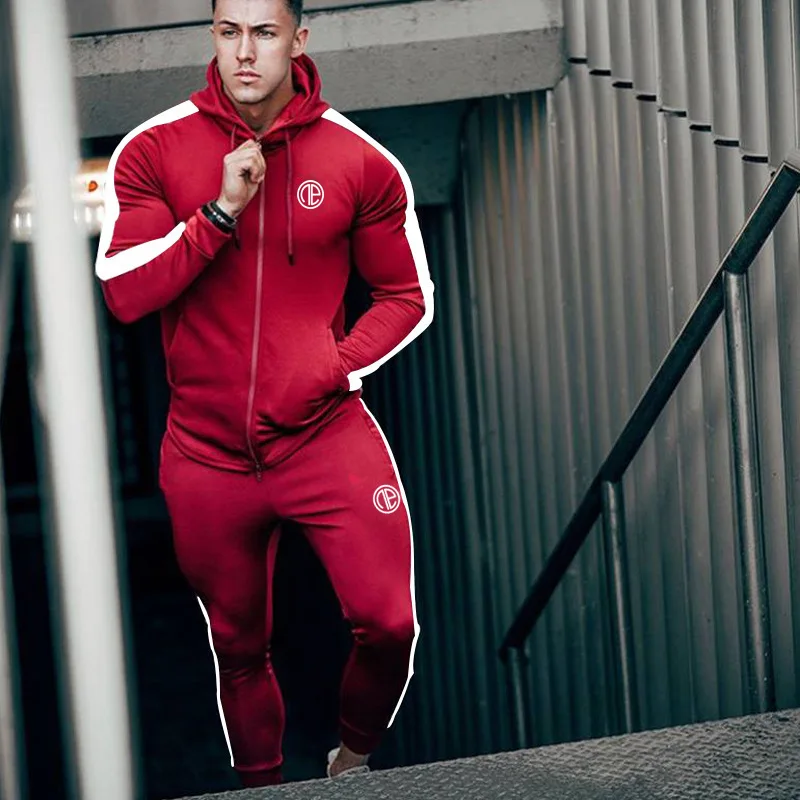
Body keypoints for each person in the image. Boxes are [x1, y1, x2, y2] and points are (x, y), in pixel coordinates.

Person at [94, 0, 434, 787]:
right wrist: (218, 214)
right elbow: (124, 293)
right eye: (229, 32)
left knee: (390, 624)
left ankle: (351, 763)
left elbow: (404, 297)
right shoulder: (153, 150)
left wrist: (332, 367)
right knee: (239, 646)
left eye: (265, 33)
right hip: (206, 457)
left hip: (323, 434)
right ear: (214, 35)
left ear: (298, 39)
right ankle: (262, 789)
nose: (245, 52)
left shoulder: (360, 161)